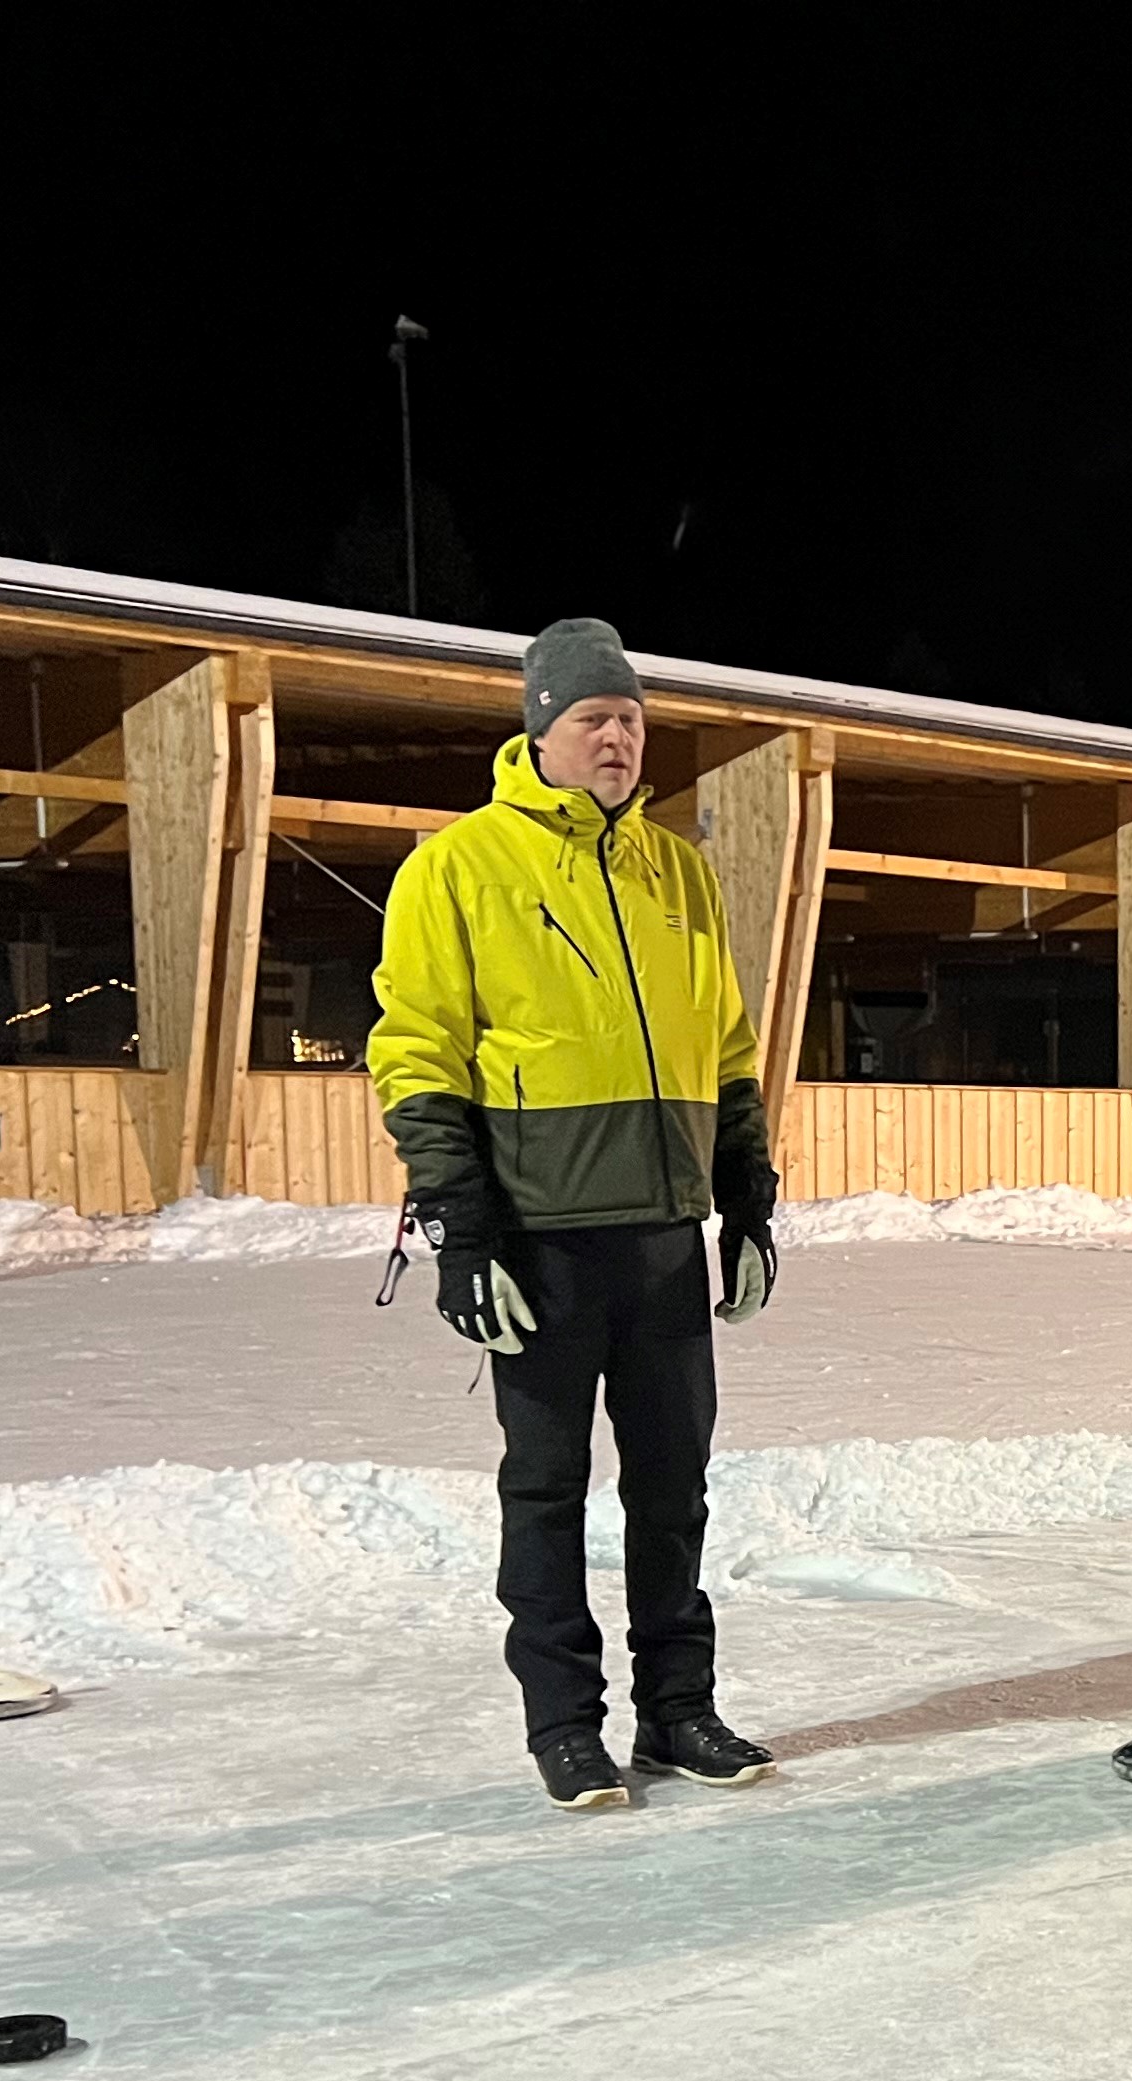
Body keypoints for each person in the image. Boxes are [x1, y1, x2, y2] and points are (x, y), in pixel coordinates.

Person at [368, 617, 785, 1812]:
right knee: (546, 1493)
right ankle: (564, 1724)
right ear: (541, 730)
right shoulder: (459, 867)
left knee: (674, 1491)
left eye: (632, 720)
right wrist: (462, 1233)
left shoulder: (678, 872)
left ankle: (679, 1712)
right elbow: (417, 1054)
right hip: (539, 1241)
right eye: (595, 718)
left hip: (663, 1239)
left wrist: (746, 1205)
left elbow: (728, 1048)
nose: (618, 739)